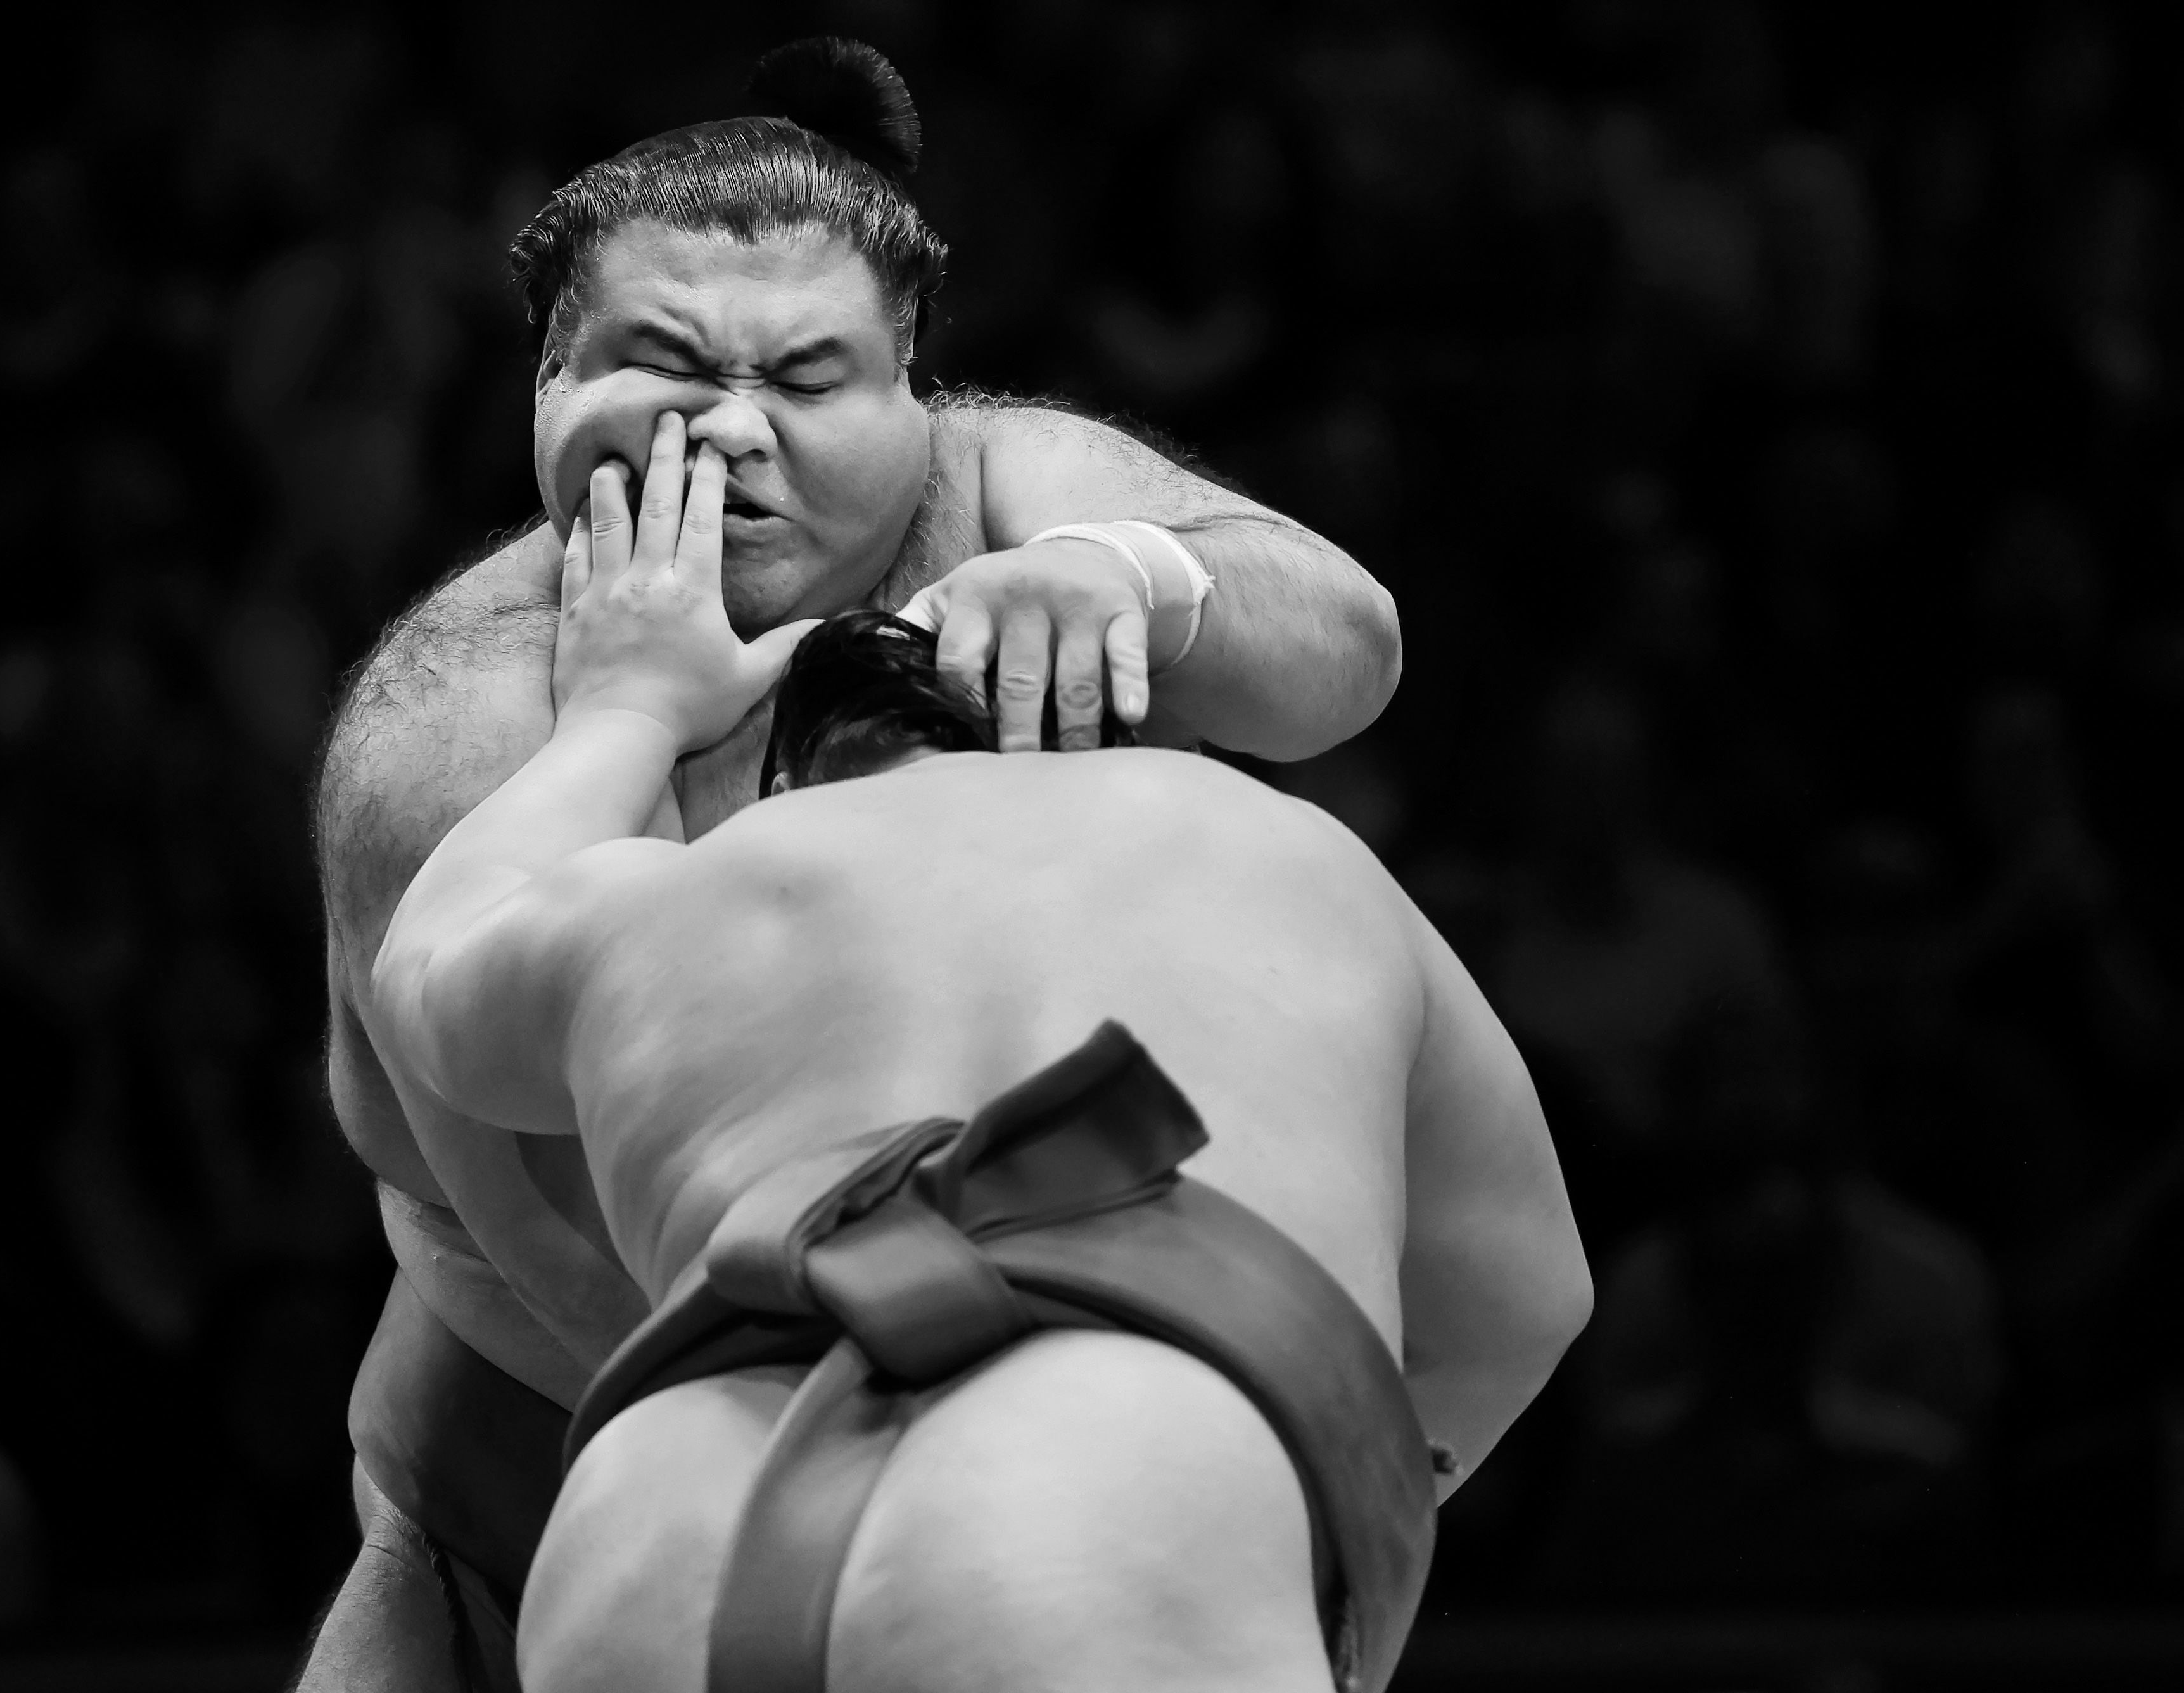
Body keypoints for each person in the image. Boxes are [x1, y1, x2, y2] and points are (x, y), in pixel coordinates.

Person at [303, 38, 1406, 1689]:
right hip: (567, 1438)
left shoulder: (996, 484)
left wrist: (1135, 574)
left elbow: (1346, 652)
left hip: (1058, 1381)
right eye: (662, 362)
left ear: (913, 389)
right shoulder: (465, 726)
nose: (733, 430)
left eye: (810, 381)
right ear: (547, 369)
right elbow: (558, 1237)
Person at [362, 439, 1589, 1692]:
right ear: (1109, 732)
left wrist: (628, 712)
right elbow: (1522, 1302)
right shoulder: (1296, 857)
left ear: (797, 775)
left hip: (671, 1509)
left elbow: (425, 968)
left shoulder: (678, 895)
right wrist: (1309, 1531)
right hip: (1110, 1468)